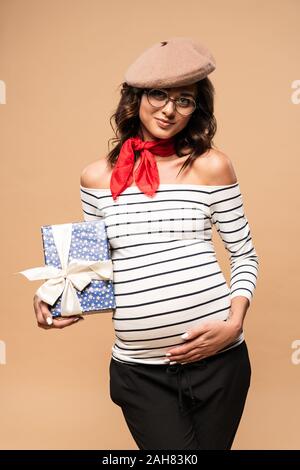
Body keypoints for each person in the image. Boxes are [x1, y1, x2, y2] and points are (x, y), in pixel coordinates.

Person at [33, 37, 259, 450]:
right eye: (158, 94)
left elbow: (243, 253)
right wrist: (57, 295)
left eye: (185, 100)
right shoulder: (97, 177)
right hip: (140, 372)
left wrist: (235, 323)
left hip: (220, 363)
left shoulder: (213, 167)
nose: (169, 110)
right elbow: (93, 271)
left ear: (197, 109)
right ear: (134, 98)